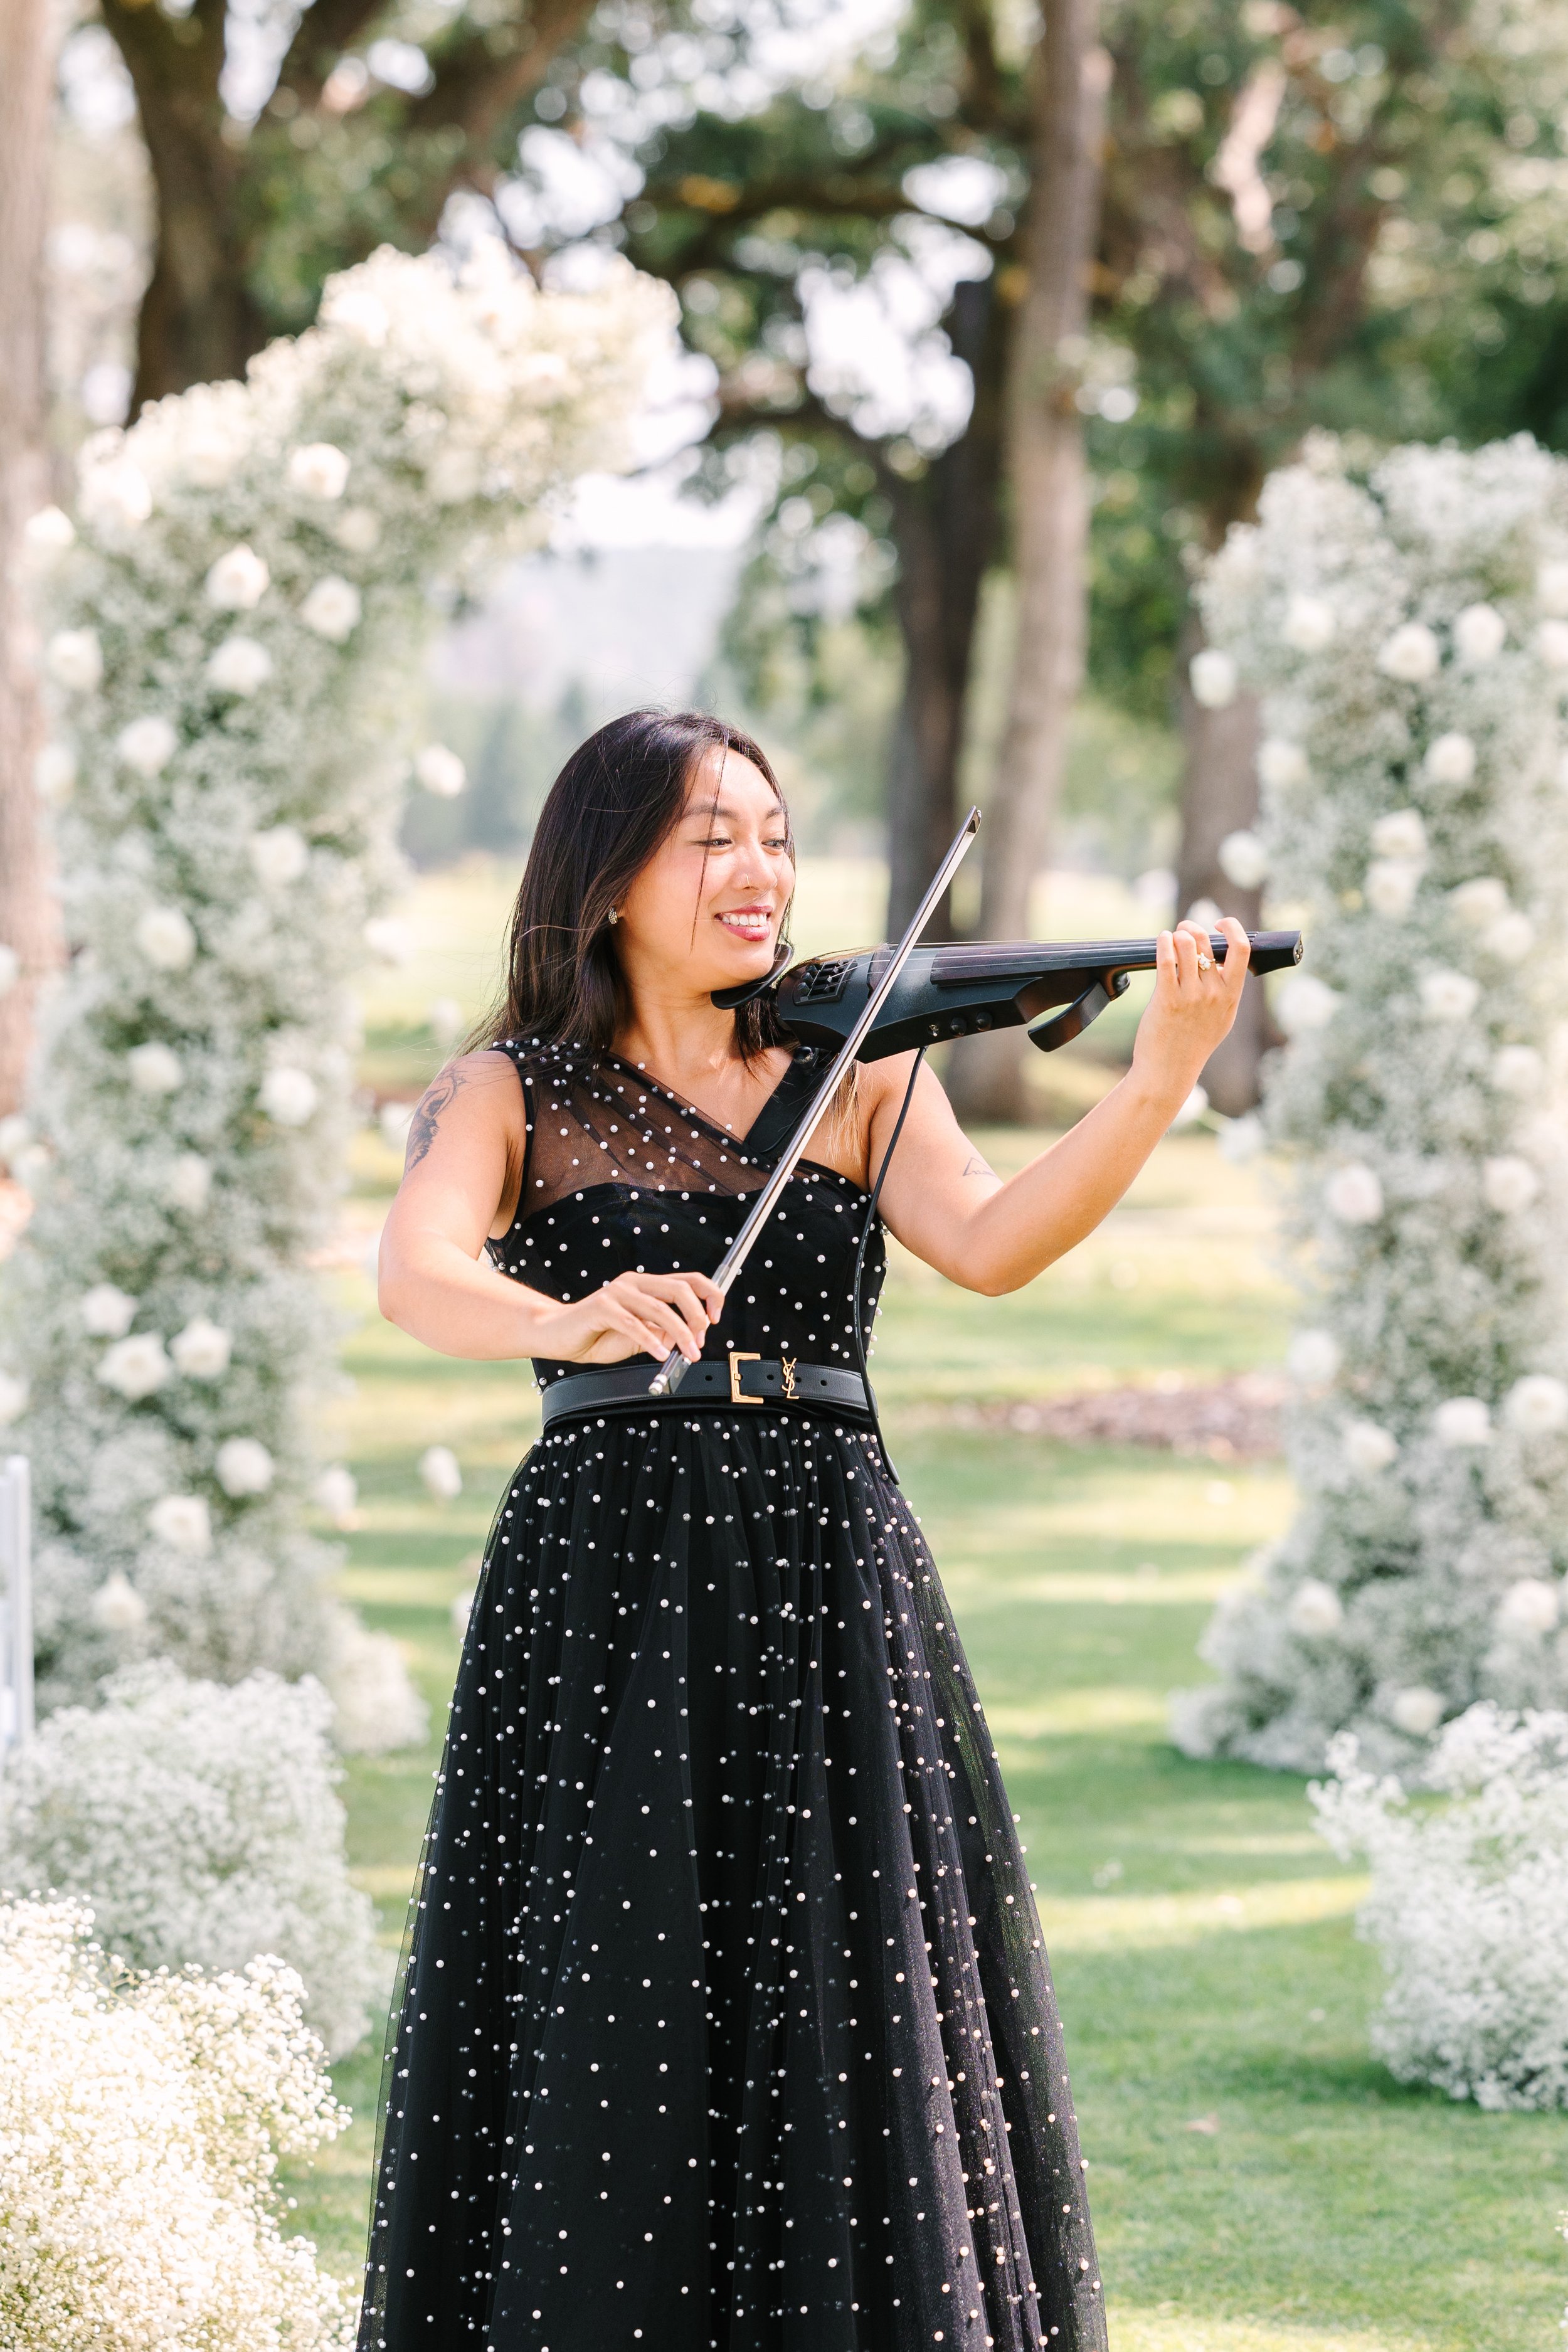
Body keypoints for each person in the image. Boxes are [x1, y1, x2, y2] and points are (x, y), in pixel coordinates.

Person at [359, 708, 1249, 2352]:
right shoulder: (509, 1087)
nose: (759, 870)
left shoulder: (859, 1070)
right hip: (606, 1574)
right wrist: (567, 1317)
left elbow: (991, 1243)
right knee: (612, 1976)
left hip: (825, 1563)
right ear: (606, 878)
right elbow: (418, 1272)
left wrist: (1159, 1077)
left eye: (775, 836)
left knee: (848, 1981)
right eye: (713, 839)